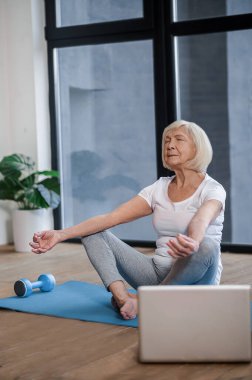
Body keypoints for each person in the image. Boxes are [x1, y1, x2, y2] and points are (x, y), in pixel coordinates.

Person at [30, 120, 226, 321]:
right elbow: (111, 218)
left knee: (206, 246)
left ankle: (146, 301)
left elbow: (201, 219)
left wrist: (193, 241)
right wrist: (60, 234)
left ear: (197, 147)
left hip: (195, 282)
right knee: (93, 231)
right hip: (156, 275)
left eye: (179, 139)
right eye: (167, 140)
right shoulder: (158, 188)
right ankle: (124, 299)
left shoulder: (212, 189)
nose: (170, 145)